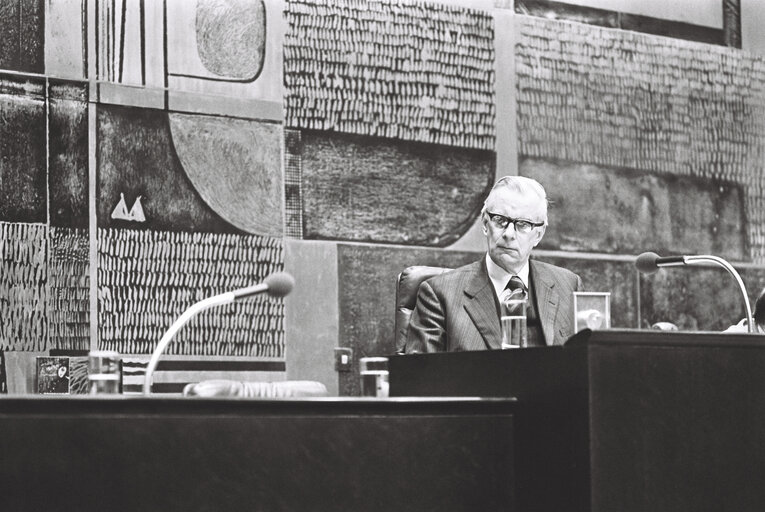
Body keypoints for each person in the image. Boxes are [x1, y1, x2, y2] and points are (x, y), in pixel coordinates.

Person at [405, 175, 583, 352]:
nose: (509, 234)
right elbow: (421, 377)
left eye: (523, 224)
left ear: (538, 234)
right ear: (485, 223)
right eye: (500, 220)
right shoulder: (439, 294)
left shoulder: (568, 286)